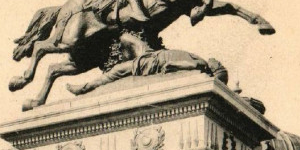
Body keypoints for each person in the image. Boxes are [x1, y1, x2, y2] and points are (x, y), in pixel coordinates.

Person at [67, 48, 229, 95]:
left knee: (117, 70)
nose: (217, 60)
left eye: (219, 64)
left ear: (214, 70)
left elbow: (186, 65)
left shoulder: (201, 64)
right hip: (155, 56)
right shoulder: (200, 60)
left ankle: (86, 87)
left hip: (153, 62)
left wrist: (172, 64)